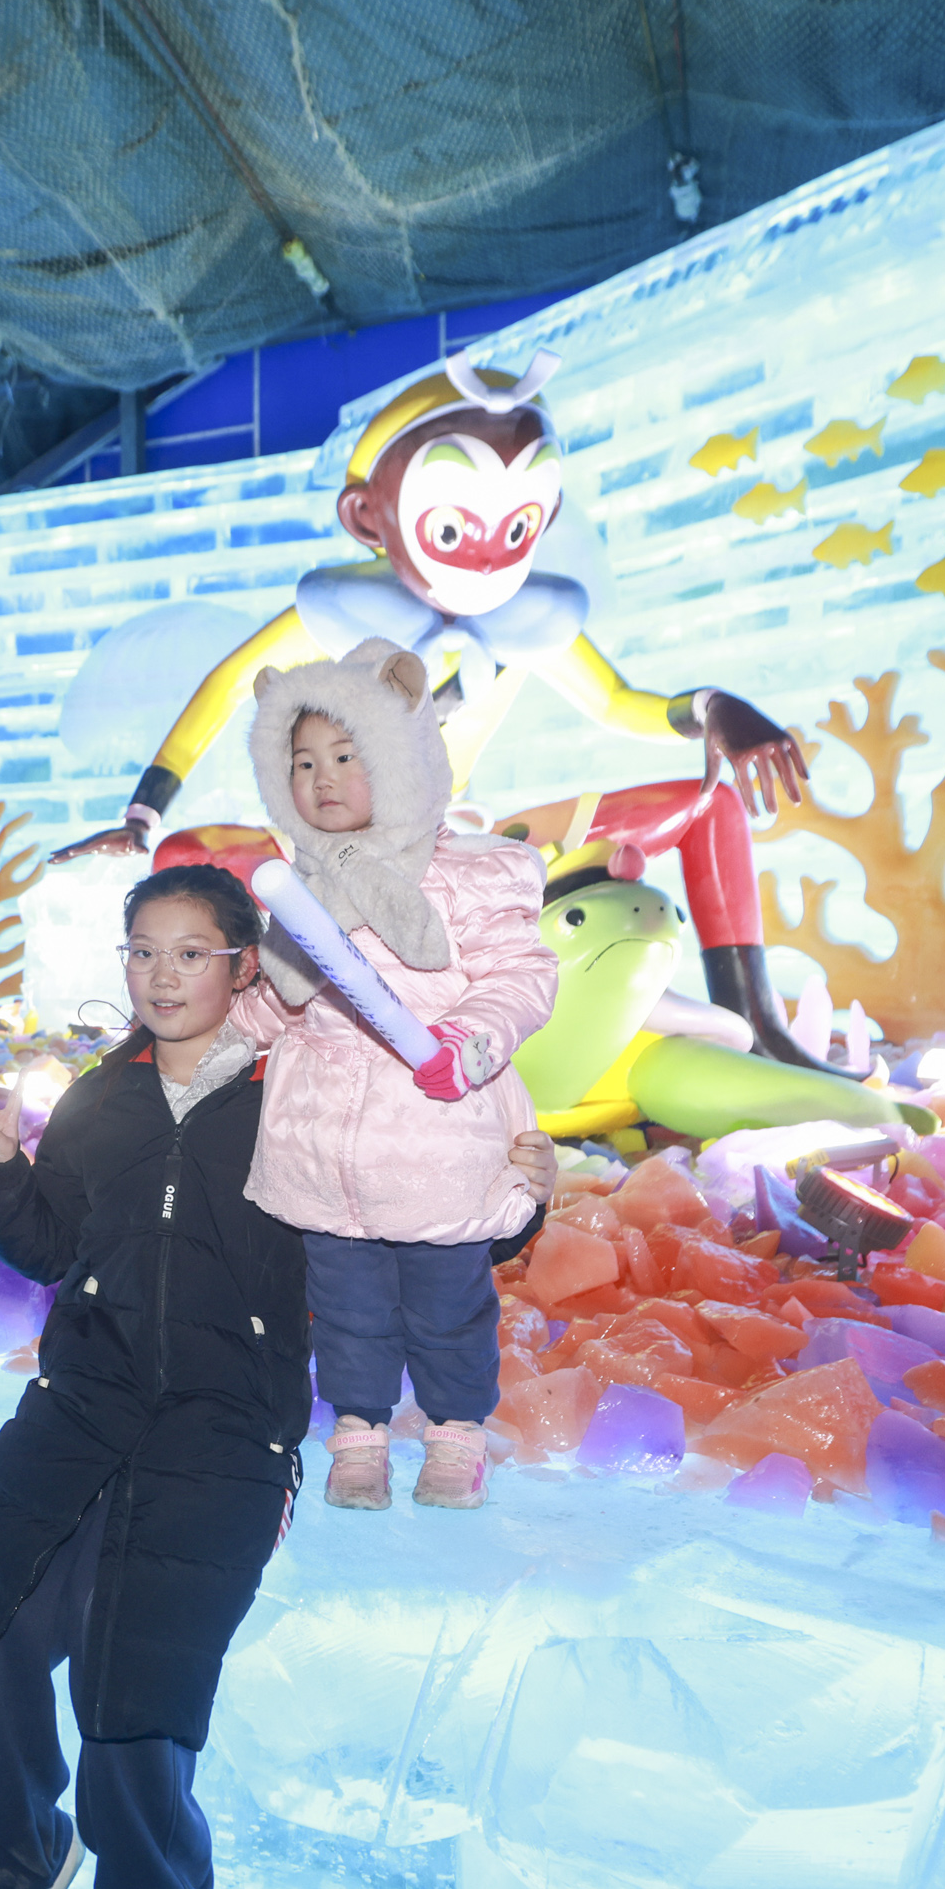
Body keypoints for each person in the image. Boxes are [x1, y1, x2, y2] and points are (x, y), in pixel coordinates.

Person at [54, 356, 830, 1067]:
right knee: (188, 856)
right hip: (340, 854)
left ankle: (758, 1025)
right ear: (367, 516)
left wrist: (712, 707)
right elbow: (225, 688)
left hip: (463, 849)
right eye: (456, 526)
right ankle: (225, 1043)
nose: (491, 553)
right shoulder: (336, 613)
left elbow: (621, 704)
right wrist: (143, 816)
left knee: (712, 804)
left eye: (517, 525)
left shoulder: (532, 623)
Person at [0, 861, 304, 1889]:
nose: (160, 975)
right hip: (83, 1400)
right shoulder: (100, 1094)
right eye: (141, 951)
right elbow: (48, 1248)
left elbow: (403, 1221)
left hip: (226, 1429)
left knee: (136, 1682)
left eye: (188, 952)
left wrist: (514, 1203)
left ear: (241, 964)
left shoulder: (300, 1097)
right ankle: (11, 1866)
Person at [234, 640, 560, 1510]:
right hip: (322, 1149)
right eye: (303, 762)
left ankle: (456, 1431)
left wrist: (470, 1042)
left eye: (347, 756)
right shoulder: (298, 889)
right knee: (344, 1308)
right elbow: (276, 1001)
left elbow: (521, 979)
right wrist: (212, 1041)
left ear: (404, 757)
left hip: (438, 1142)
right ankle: (359, 1429)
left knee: (449, 1304)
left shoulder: (469, 877)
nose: (324, 779)